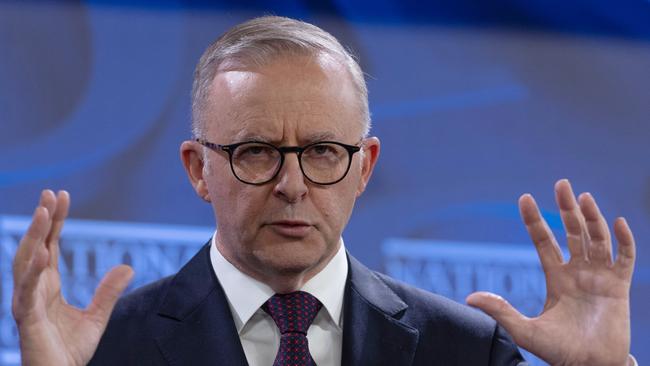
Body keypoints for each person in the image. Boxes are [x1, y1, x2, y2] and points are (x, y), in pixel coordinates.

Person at [12, 16, 637, 366]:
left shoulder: (464, 352)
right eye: (255, 151)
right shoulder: (104, 351)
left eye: (322, 152)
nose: (292, 185)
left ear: (364, 168)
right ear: (198, 170)